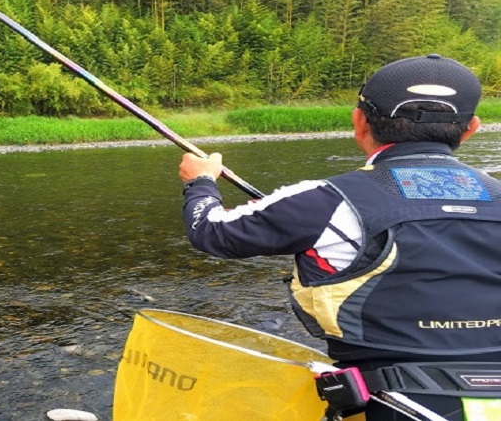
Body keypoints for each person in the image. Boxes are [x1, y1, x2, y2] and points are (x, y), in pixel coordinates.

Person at [178, 54, 501, 420]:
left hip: (390, 406)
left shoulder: (323, 200)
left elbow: (211, 231)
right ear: (471, 128)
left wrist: (200, 182)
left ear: (359, 121)